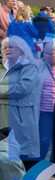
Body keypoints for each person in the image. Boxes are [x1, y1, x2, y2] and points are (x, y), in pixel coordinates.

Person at [0, 37, 41, 170]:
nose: (7, 49)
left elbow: (22, 88)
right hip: (3, 119)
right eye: (5, 47)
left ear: (21, 50)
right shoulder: (2, 69)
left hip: (21, 119)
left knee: (23, 158)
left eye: (11, 47)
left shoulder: (29, 67)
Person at [37, 42, 55, 178]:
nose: (48, 56)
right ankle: (39, 167)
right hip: (44, 110)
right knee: (44, 140)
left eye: (51, 53)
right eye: (46, 53)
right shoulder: (39, 66)